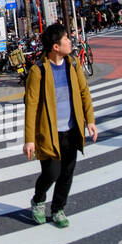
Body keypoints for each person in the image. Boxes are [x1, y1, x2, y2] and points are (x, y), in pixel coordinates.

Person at [23, 22, 98, 229]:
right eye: (65, 38)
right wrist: (29, 139)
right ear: (55, 46)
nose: (69, 40)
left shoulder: (72, 64)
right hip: (49, 133)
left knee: (67, 173)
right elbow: (31, 105)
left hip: (72, 130)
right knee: (52, 173)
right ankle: (38, 200)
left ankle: (58, 209)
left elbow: (84, 93)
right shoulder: (38, 71)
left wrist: (90, 120)